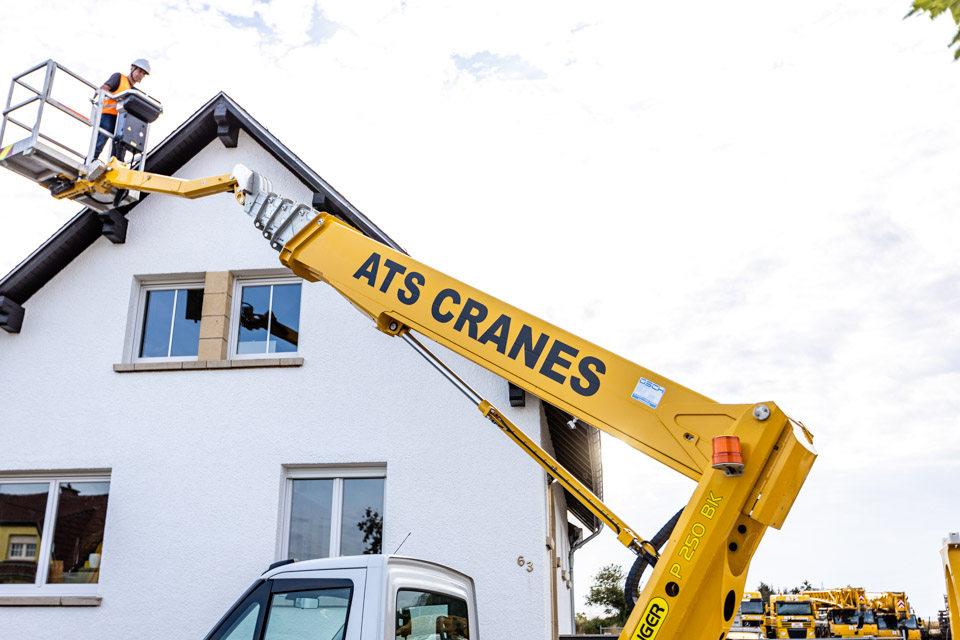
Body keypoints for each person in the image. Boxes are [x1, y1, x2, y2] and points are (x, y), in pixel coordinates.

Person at [92, 59, 151, 160]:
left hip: (122, 121)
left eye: (143, 74)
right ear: (132, 68)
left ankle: (115, 165)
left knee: (121, 146)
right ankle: (91, 160)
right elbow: (103, 88)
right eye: (139, 71)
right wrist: (117, 98)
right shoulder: (119, 77)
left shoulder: (134, 92)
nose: (141, 75)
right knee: (100, 142)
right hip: (108, 115)